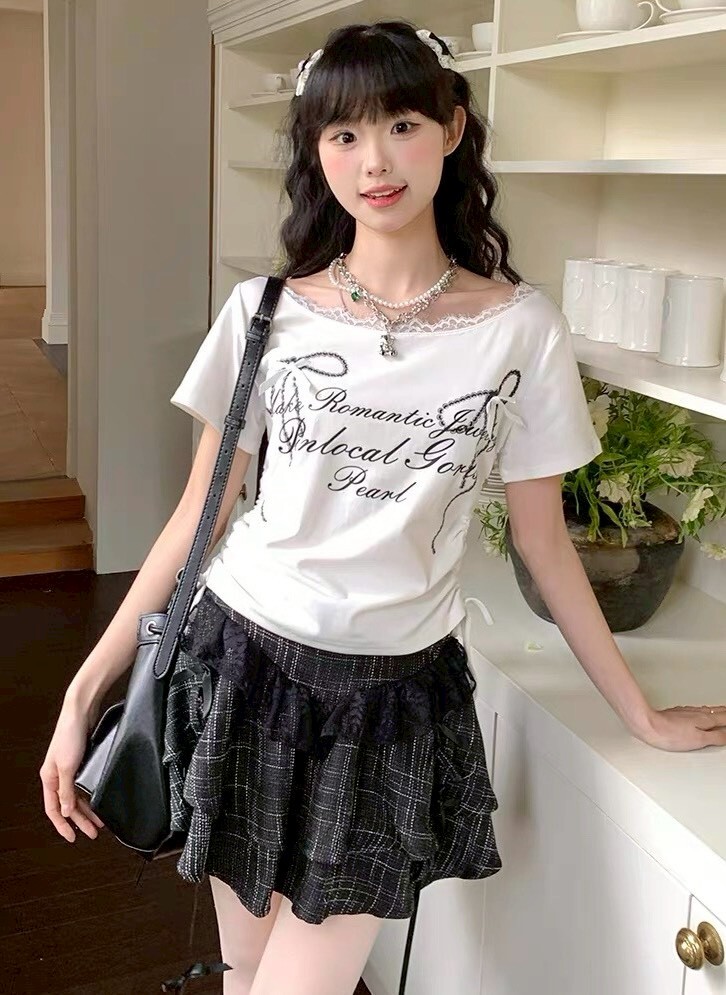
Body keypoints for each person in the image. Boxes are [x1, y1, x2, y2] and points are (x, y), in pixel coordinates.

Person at [40, 19, 726, 995]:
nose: (375, 161)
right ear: (316, 151)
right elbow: (199, 515)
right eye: (344, 133)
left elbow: (545, 543)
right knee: (246, 968)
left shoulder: (521, 329)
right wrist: (81, 697)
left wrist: (640, 713)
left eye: (401, 124)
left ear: (452, 128)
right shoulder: (265, 312)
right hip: (241, 664)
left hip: (391, 702)